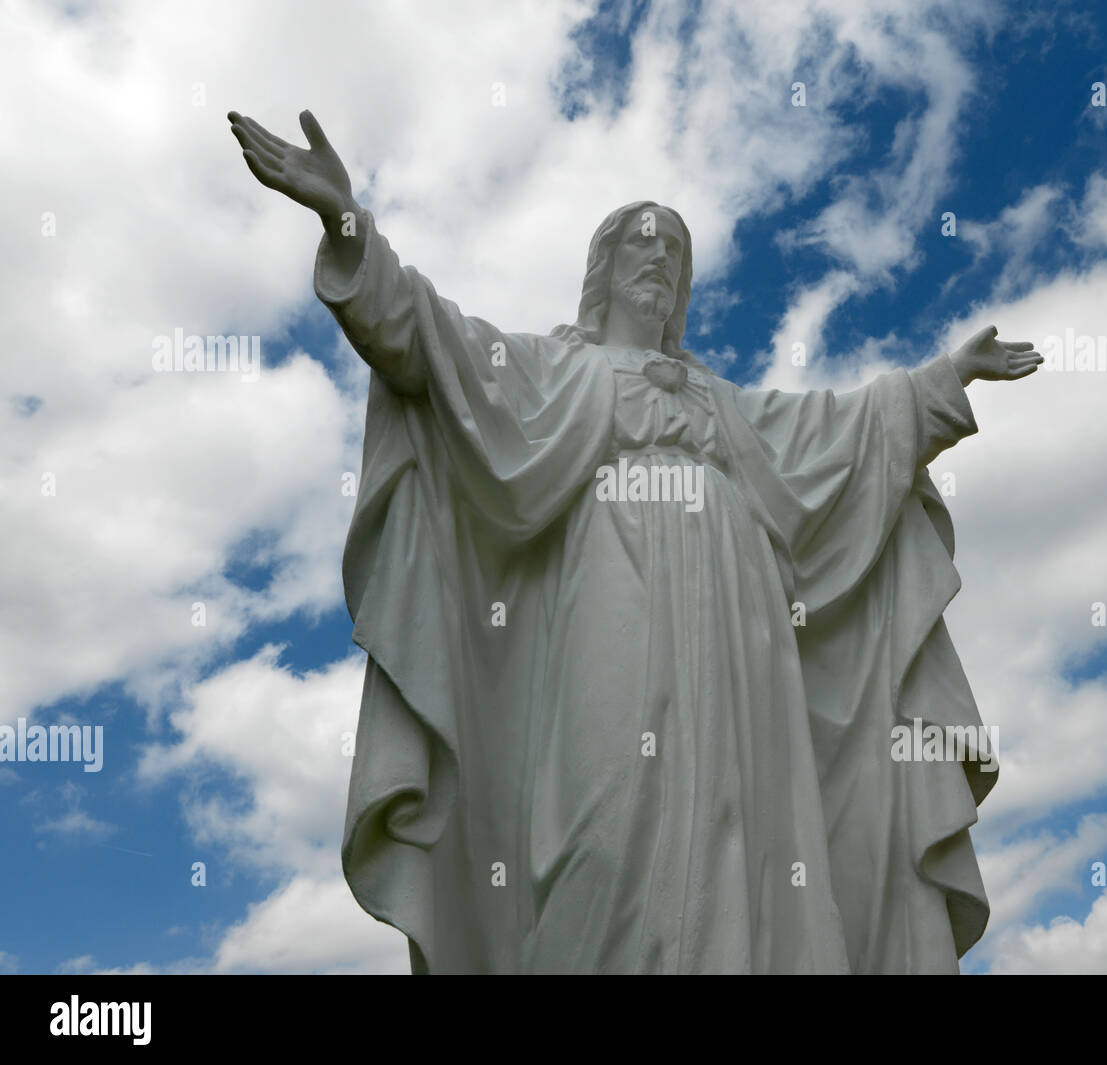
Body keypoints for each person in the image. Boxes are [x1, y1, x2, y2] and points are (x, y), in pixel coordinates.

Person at [230, 109, 1042, 973]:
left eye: (676, 252)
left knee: (748, 827)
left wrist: (940, 383)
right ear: (605, 269)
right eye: (643, 243)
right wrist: (346, 220)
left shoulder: (720, 402)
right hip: (606, 604)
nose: (661, 258)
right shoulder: (554, 370)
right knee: (604, 820)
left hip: (740, 630)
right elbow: (424, 336)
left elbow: (833, 435)